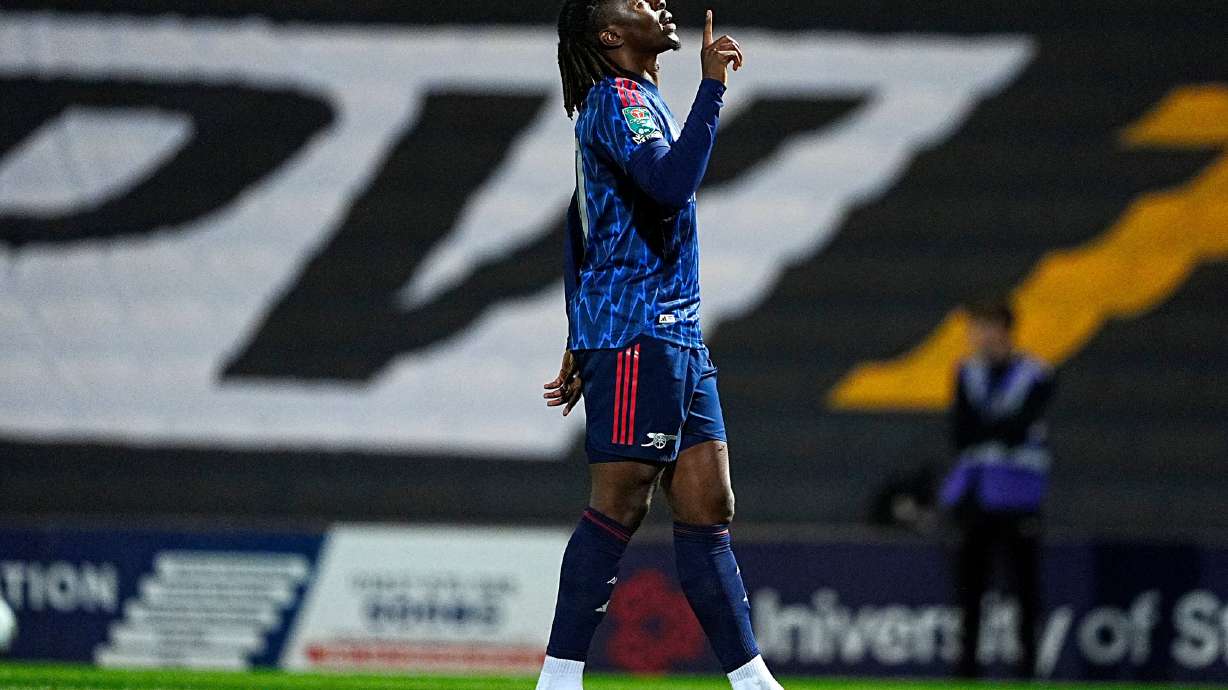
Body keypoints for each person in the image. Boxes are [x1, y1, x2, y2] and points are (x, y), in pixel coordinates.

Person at [538, 2, 783, 689]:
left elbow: (579, 220)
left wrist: (575, 327)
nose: (660, 5)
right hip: (636, 331)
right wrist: (712, 88)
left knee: (709, 504)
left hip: (674, 332)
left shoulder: (635, 100)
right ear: (610, 35)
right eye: (639, 1)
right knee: (621, 501)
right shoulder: (618, 100)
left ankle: (753, 683)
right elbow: (671, 187)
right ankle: (558, 679)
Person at [939, 298, 1056, 679]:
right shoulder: (966, 373)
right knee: (969, 587)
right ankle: (966, 671)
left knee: (1024, 587)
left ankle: (1028, 669)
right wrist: (996, 430)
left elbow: (1018, 428)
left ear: (1005, 330)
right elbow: (961, 433)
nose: (978, 337)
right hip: (976, 495)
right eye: (974, 329)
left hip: (1019, 496)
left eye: (984, 328)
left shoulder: (1036, 374)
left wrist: (988, 430)